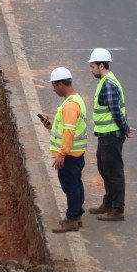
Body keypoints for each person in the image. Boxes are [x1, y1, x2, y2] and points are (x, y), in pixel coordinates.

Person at [39, 67, 88, 233]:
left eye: (54, 85)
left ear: (61, 84)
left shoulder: (70, 106)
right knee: (76, 185)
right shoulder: (75, 100)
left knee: (71, 187)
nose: (53, 89)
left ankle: (72, 219)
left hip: (69, 156)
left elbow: (68, 132)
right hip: (75, 154)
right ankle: (77, 214)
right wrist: (50, 126)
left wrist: (61, 154)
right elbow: (64, 129)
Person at [87, 48, 133, 221]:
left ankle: (117, 209)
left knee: (114, 171)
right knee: (104, 167)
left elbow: (115, 110)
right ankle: (108, 202)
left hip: (111, 135)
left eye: (92, 66)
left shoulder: (108, 84)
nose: (90, 69)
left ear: (101, 65)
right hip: (105, 135)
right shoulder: (105, 81)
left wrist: (124, 129)